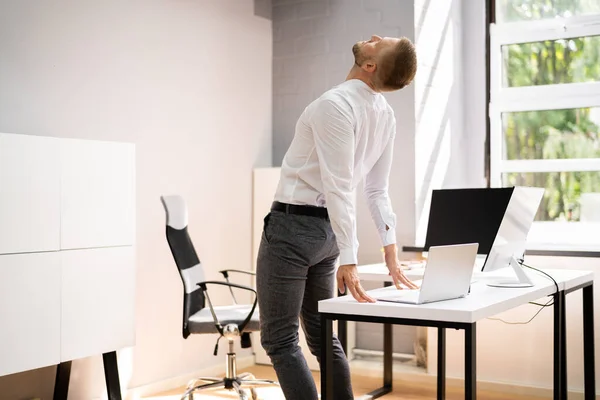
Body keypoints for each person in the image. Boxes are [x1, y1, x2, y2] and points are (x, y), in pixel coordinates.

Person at [256, 34, 419, 400]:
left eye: (381, 42)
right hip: (327, 234)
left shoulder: (334, 105)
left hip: (293, 230)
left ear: (370, 65)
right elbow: (375, 190)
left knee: (280, 341)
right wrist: (388, 245)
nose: (374, 37)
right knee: (321, 337)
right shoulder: (384, 114)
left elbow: (340, 187)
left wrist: (351, 257)